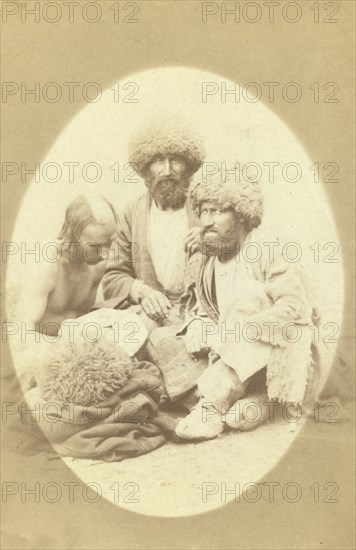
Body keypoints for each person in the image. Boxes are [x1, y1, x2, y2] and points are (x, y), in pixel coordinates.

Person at [175, 171, 316, 440]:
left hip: (287, 356)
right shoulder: (208, 259)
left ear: (242, 215)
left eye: (217, 212)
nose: (207, 222)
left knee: (248, 296)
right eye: (204, 211)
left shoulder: (270, 249)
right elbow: (204, 308)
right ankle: (261, 402)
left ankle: (213, 406)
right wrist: (197, 324)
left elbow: (295, 311)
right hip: (236, 359)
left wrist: (237, 330)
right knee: (171, 349)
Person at [101, 118, 205, 328]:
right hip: (150, 313)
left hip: (199, 314)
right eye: (158, 161)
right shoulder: (133, 213)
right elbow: (113, 276)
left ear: (188, 164)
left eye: (175, 160)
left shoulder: (206, 207)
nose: (167, 170)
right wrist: (143, 293)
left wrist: (209, 240)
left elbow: (238, 255)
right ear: (145, 166)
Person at [20, 195, 119, 336]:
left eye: (110, 244)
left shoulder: (97, 266)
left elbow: (82, 318)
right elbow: (22, 334)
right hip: (41, 350)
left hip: (75, 346)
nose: (106, 255)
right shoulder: (46, 265)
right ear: (72, 234)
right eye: (95, 246)